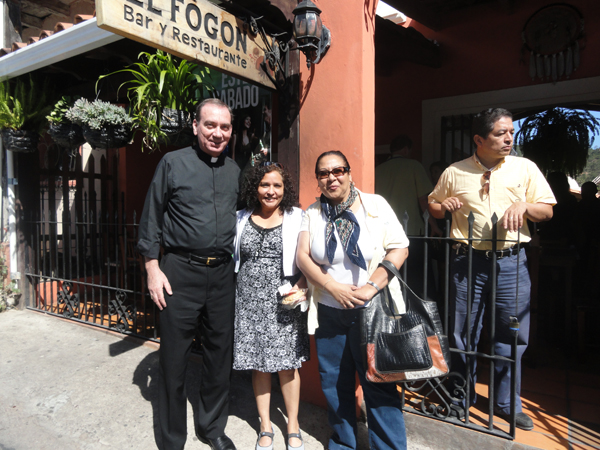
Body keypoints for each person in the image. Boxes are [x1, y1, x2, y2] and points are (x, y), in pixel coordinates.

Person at [428, 108, 556, 431]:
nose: (509, 138)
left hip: (511, 262)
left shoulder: (525, 168)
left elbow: (547, 210)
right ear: (479, 139)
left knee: (511, 334)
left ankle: (506, 404)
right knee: (462, 332)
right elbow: (433, 204)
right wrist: (443, 207)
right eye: (501, 133)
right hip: (466, 262)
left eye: (511, 132)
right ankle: (461, 396)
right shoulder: (455, 172)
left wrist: (525, 206)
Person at [137, 98, 239, 450]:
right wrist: (152, 268)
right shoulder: (172, 163)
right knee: (173, 359)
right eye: (210, 125)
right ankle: (172, 439)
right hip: (179, 272)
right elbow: (151, 216)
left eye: (224, 127)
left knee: (219, 357)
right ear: (195, 126)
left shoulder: (234, 170)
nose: (217, 133)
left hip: (222, 275)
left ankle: (212, 428)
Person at [296, 151, 409, 450]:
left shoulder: (375, 204)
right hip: (330, 313)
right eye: (323, 173)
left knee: (380, 384)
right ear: (318, 179)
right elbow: (303, 257)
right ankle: (343, 444)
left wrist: (371, 287)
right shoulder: (313, 213)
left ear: (348, 173)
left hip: (373, 312)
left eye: (338, 170)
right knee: (334, 385)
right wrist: (331, 286)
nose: (331, 178)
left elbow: (399, 248)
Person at [233, 162, 309, 450]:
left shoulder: (297, 217)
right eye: (264, 184)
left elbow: (309, 255)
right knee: (259, 366)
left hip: (284, 302)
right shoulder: (241, 217)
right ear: (255, 188)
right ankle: (265, 425)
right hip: (249, 302)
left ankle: (293, 425)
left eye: (277, 185)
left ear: (284, 189)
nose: (270, 191)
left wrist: (302, 283)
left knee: (287, 366)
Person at [375, 135, 441, 301]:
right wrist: (433, 225)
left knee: (391, 276)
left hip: (384, 234)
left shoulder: (378, 169)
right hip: (411, 232)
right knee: (418, 280)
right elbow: (423, 200)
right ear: (406, 149)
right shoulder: (414, 166)